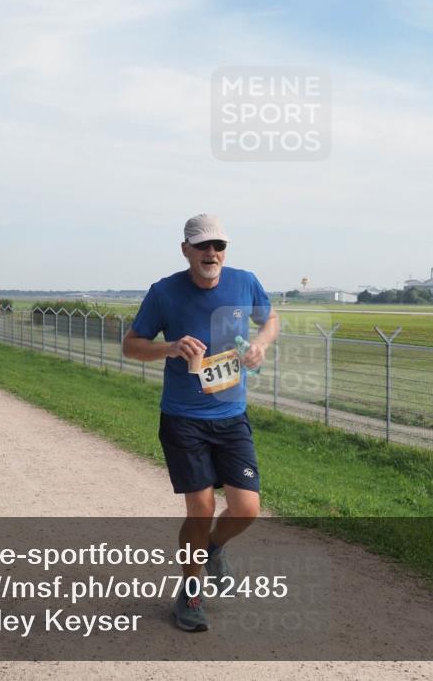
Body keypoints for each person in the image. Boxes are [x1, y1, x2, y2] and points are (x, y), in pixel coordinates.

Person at [122, 213, 278, 632]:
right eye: (203, 245)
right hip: (183, 419)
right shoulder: (164, 292)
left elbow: (270, 319)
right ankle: (190, 594)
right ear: (186, 249)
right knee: (202, 507)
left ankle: (212, 547)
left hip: (231, 416)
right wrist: (170, 347)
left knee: (247, 508)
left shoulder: (244, 282)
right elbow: (131, 346)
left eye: (218, 245)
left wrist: (260, 345)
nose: (211, 253)